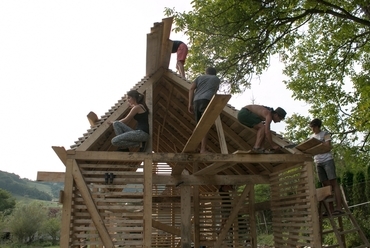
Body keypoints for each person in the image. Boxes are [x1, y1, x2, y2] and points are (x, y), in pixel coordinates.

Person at [310, 118, 344, 215]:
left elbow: (328, 146)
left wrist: (318, 145)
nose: (312, 129)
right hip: (318, 162)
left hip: (327, 160)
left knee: (333, 183)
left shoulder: (326, 133)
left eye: (313, 127)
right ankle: (330, 209)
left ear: (317, 126)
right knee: (325, 185)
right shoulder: (311, 137)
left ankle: (339, 207)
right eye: (311, 128)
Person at [188, 67, 220, 153]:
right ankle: (203, 149)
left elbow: (191, 89)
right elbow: (215, 92)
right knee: (205, 125)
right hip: (206, 101)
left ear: (206, 72)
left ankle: (191, 145)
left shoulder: (199, 78)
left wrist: (190, 103)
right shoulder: (216, 79)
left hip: (196, 101)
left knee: (198, 125)